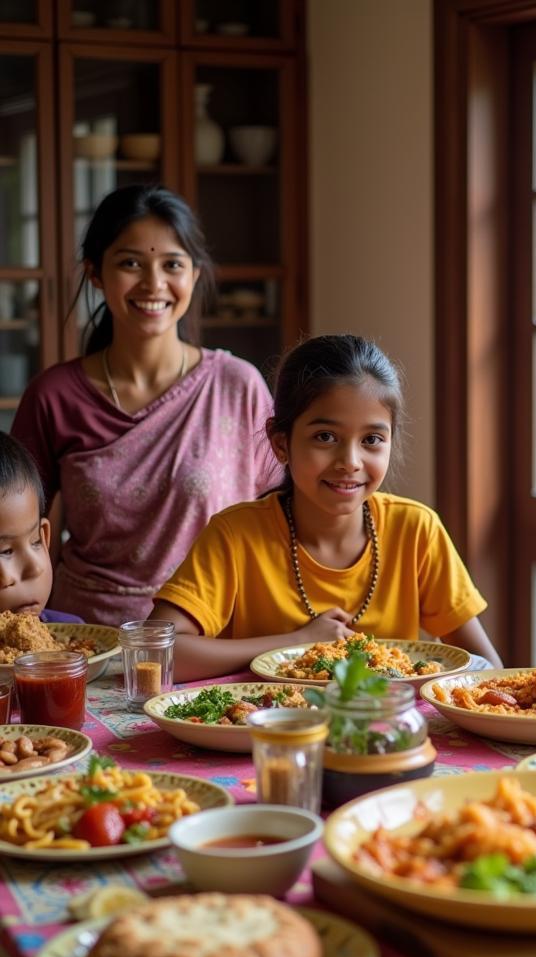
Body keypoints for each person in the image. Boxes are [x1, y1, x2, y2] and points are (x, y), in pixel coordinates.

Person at [152, 334, 503, 681]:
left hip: (388, 733)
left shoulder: (415, 529)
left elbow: (486, 668)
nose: (350, 461)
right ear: (280, 443)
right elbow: (158, 653)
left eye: (371, 440)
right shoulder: (236, 535)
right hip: (268, 731)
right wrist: (295, 643)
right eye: (325, 437)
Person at [11, 185, 279, 626]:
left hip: (212, 639)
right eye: (130, 263)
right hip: (88, 645)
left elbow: (280, 522)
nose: (154, 284)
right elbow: (17, 531)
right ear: (95, 273)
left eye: (172, 264)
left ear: (194, 274)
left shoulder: (237, 387)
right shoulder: (53, 396)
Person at [0, 432, 82, 624]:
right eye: (5, 551)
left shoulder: (74, 640)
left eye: (35, 542)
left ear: (45, 536)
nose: (35, 568)